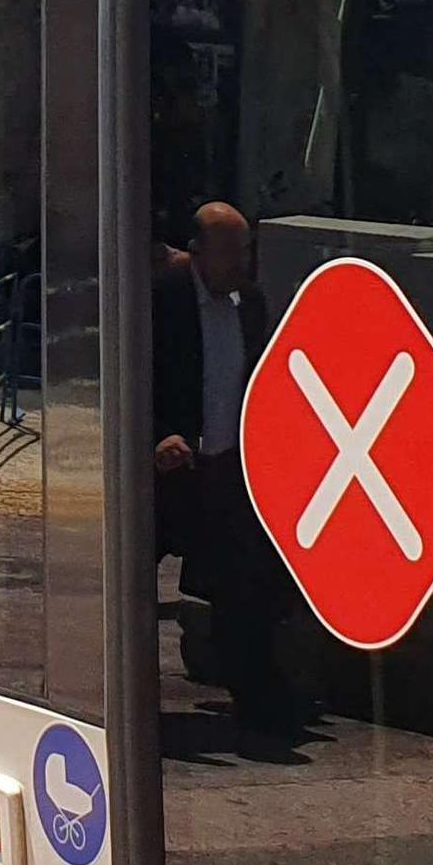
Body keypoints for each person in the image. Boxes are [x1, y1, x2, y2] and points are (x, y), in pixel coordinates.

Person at [152, 200, 300, 734]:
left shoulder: (248, 304)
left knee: (245, 584)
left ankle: (259, 699)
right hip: (165, 471)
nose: (241, 262)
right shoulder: (160, 298)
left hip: (223, 469)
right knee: (130, 583)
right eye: (230, 251)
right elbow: (128, 377)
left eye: (246, 250)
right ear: (196, 252)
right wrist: (154, 436)